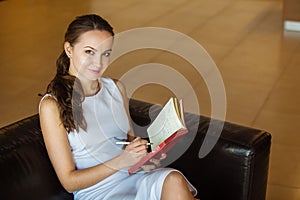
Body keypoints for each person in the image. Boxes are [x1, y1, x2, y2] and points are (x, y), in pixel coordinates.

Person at [39, 14, 197, 200]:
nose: (98, 63)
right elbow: (69, 182)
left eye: (105, 54)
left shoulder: (115, 88)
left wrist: (146, 158)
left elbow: (129, 142)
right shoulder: (52, 105)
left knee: (174, 180)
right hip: (99, 192)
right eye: (89, 52)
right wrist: (121, 161)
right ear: (69, 49)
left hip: (134, 176)